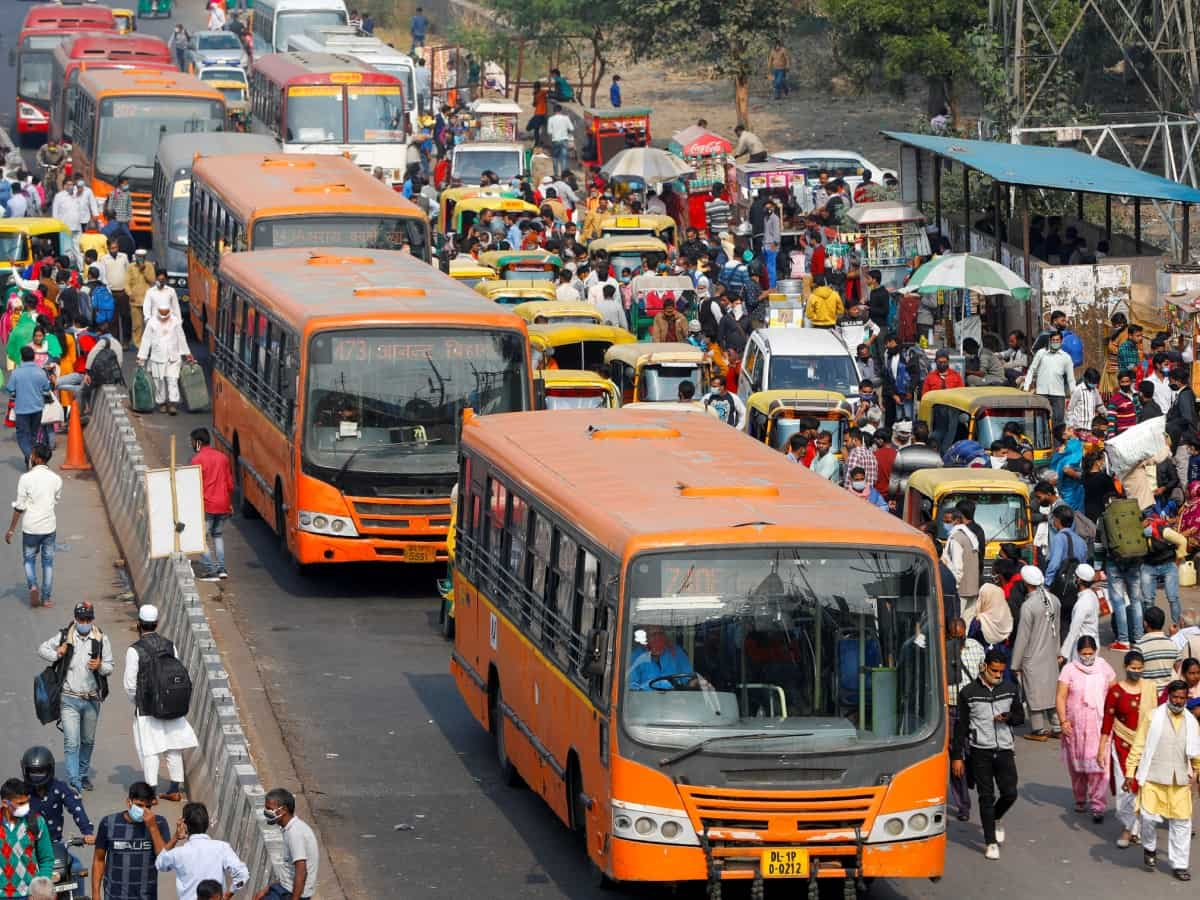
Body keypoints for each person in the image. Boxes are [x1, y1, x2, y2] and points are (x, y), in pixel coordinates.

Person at [951, 649, 1023, 859]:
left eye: (1001, 672)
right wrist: (957, 756)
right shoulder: (968, 693)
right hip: (980, 751)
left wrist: (1008, 717)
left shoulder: (1010, 689)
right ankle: (990, 842)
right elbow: (961, 727)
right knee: (986, 796)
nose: (999, 676)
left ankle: (996, 817)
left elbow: (1019, 717)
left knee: (1010, 793)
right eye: (994, 671)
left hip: (1005, 750)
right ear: (984, 667)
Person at [1126, 678, 1200, 880]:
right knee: (1148, 818)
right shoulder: (1153, 717)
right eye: (1174, 697)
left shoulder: (1192, 722)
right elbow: (1139, 745)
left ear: (1186, 699)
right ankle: (1149, 849)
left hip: (1180, 780)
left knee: (1182, 823)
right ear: (1169, 696)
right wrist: (1130, 772)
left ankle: (1180, 865)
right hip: (1153, 777)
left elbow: (1196, 753)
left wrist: (1197, 771)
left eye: (1182, 698)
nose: (1177, 701)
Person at [36, 601, 113, 792]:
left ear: (92, 619)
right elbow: (42, 649)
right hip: (69, 698)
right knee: (72, 741)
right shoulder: (65, 636)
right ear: (75, 619)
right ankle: (74, 780)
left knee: (87, 740)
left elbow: (110, 667)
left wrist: (100, 666)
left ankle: (82, 773)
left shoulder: (101, 639)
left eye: (87, 619)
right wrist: (57, 653)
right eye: (81, 619)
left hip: (92, 699)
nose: (84, 622)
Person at [125, 604, 199, 802]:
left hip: (147, 709)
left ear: (138, 624)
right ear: (157, 623)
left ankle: (152, 794)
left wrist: (140, 701)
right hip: (171, 704)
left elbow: (130, 685)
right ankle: (175, 789)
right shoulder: (169, 645)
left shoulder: (134, 651)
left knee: (149, 750)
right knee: (173, 747)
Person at [1056, 635, 1117, 821]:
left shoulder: (1104, 667)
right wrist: (1063, 721)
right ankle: (1080, 798)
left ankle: (1098, 804)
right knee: (1077, 766)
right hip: (1076, 726)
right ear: (1078, 653)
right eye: (1084, 654)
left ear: (1096, 651)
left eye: (1091, 653)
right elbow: (1060, 697)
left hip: (1099, 726)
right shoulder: (1069, 670)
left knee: (1099, 766)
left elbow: (1115, 693)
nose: (1087, 657)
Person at [1101, 650, 1152, 847]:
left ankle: (1135, 829)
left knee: (1141, 788)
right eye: (1133, 668)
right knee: (1125, 787)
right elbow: (1107, 720)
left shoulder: (1149, 689)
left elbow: (1154, 721)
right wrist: (1101, 748)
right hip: (1121, 745)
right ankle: (1126, 827)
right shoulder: (1116, 692)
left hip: (1145, 746)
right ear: (1125, 668)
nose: (1136, 672)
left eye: (1140, 668)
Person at [153, 801, 249, 900]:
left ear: (184, 825)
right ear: (207, 823)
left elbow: (159, 863)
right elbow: (243, 874)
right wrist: (229, 894)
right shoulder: (222, 847)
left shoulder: (178, 853)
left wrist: (175, 837)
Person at [6, 441, 61, 608]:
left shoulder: (26, 478)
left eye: (31, 455)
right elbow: (56, 500)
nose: (30, 458)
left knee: (29, 560)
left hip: (30, 528)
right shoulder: (56, 479)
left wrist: (11, 530)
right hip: (49, 527)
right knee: (48, 562)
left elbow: (20, 507)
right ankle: (47, 598)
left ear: (36, 459)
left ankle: (33, 586)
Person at [93, 782, 171, 900]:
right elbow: (99, 860)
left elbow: (164, 860)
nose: (144, 811)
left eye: (148, 807)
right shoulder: (108, 823)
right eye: (139, 805)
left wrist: (153, 827)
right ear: (129, 802)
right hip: (114, 896)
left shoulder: (159, 823)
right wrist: (96, 894)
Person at [1011, 564, 1062, 740]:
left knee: (1033, 693)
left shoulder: (1028, 606)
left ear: (1025, 583)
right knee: (1051, 691)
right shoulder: (1054, 600)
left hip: (1032, 656)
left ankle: (1038, 729)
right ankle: (1057, 725)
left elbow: (1022, 637)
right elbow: (1058, 629)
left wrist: (1015, 663)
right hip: (1050, 654)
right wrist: (1058, 652)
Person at [946, 617, 986, 820]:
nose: (957, 641)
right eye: (953, 637)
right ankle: (963, 804)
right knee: (956, 757)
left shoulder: (976, 648)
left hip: (972, 710)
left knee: (975, 754)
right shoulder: (941, 652)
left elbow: (984, 675)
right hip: (951, 711)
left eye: (960, 637)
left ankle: (972, 781)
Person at [22, 745, 94, 853]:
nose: (36, 775)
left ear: (50, 770)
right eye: (32, 772)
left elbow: (76, 807)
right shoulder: (21, 792)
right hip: (29, 845)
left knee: (76, 867)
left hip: (55, 844)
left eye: (40, 771)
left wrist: (87, 832)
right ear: (26, 771)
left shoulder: (59, 788)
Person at [255, 788, 319, 900]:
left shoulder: (295, 833)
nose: (266, 812)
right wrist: (268, 889)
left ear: (283, 810)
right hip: (284, 888)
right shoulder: (289, 828)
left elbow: (301, 871)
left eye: (269, 809)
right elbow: (288, 869)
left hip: (291, 893)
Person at [191, 428, 234, 582]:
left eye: (193, 442)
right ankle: (222, 568)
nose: (192, 444)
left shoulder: (197, 460)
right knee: (217, 535)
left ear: (198, 442)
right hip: (223, 504)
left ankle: (210, 568)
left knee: (200, 539)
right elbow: (230, 485)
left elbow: (194, 485)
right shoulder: (222, 458)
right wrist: (229, 503)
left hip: (207, 505)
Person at [0, 778, 55, 898]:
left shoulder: (37, 822)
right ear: (5, 803)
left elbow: (46, 859)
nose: (25, 806)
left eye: (27, 802)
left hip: (30, 894)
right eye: (20, 803)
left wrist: (40, 891)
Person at [137, 300, 192, 415]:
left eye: (165, 313)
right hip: (157, 357)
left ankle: (173, 404)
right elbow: (146, 340)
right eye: (161, 313)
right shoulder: (152, 323)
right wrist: (142, 356)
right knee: (159, 381)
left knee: (172, 380)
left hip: (173, 357)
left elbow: (181, 337)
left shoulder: (175, 322)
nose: (163, 316)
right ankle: (161, 403)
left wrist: (187, 353)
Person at [6, 346, 51, 468]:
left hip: (22, 409)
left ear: (22, 358)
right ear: (33, 357)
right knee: (33, 435)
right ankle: (32, 460)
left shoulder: (16, 372)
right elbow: (47, 388)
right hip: (37, 409)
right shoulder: (40, 372)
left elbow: (9, 388)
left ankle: (31, 457)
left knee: (21, 435)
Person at [1024, 331, 1075, 426]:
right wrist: (1026, 387)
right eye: (1053, 340)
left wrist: (1073, 393)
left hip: (1058, 394)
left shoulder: (1066, 357)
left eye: (1057, 340)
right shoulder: (1041, 353)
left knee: (1058, 422)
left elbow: (1071, 378)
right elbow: (1032, 369)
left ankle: (1057, 441)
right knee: (1040, 421)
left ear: (1061, 341)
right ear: (1050, 341)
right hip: (1042, 393)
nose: (1055, 342)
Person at [941, 504, 982, 622]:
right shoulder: (970, 536)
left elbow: (957, 568)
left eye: (948, 521)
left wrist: (955, 587)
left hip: (961, 590)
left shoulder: (956, 539)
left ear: (957, 521)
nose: (945, 524)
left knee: (957, 623)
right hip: (973, 588)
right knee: (967, 624)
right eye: (944, 521)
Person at [1136, 606, 1178, 688]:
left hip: (1147, 694)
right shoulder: (1173, 644)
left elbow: (1135, 674)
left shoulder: (1139, 647)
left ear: (1145, 623)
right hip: (1169, 695)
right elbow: (1177, 669)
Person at [126, 251, 157, 348]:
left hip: (147, 300)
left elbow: (152, 281)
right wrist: (129, 293)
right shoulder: (131, 267)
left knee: (149, 323)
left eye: (142, 257)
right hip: (135, 300)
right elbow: (126, 283)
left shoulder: (149, 266)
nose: (140, 258)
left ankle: (150, 343)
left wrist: (143, 271)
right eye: (138, 256)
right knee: (137, 325)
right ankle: (138, 344)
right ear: (135, 256)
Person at [546, 107, 574, 180]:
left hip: (555, 140)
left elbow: (549, 131)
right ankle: (564, 176)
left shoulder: (551, 119)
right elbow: (571, 128)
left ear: (554, 111)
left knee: (555, 158)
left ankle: (556, 175)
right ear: (561, 111)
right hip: (564, 140)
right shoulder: (566, 118)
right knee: (564, 158)